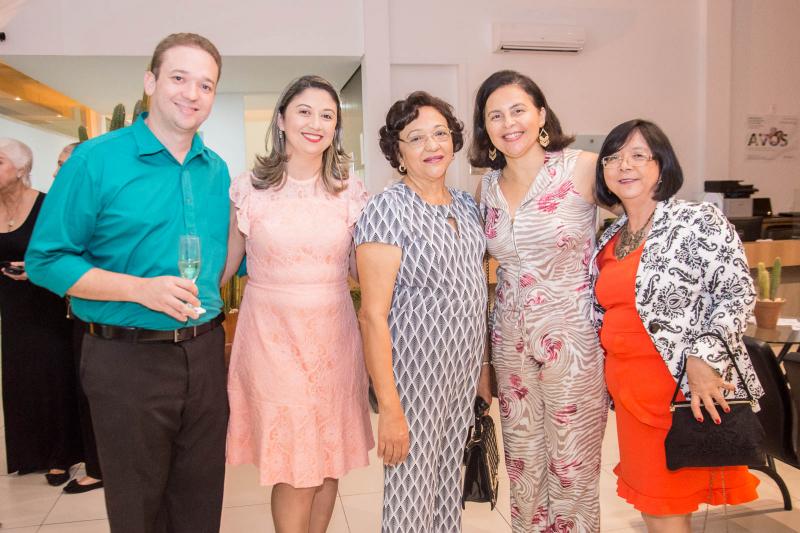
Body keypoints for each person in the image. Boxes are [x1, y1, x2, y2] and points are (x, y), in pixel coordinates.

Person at [26, 33, 230, 533]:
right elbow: (46, 260)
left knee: (201, 503)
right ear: (150, 82)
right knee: (138, 509)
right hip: (126, 359)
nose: (192, 93)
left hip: (205, 354)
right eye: (179, 78)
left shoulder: (216, 171)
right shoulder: (94, 160)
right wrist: (140, 289)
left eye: (205, 85)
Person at [591, 119, 762, 533]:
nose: (624, 166)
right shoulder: (610, 236)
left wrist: (705, 359)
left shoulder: (696, 220)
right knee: (655, 508)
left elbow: (736, 293)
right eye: (613, 158)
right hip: (629, 396)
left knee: (666, 510)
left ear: (661, 165)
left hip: (680, 391)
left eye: (638, 155)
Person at [223, 75, 374, 533]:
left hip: (334, 339)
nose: (316, 123)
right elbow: (225, 267)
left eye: (327, 115)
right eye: (304, 111)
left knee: (328, 457)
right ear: (281, 120)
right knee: (295, 464)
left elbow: (359, 270)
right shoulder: (248, 188)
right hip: (272, 341)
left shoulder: (351, 191)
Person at [469, 69, 608, 531]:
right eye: (495, 115)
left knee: (572, 468)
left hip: (574, 342)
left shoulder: (582, 168)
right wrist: (481, 362)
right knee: (524, 469)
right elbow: (481, 276)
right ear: (485, 127)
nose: (508, 123)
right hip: (510, 343)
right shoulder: (486, 188)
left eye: (518, 110)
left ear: (541, 114)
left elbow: (641, 217)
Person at [355, 91, 487, 532]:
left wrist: (482, 373)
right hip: (414, 381)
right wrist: (390, 408)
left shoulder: (466, 206)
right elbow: (372, 316)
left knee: (447, 494)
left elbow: (474, 295)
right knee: (410, 501)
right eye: (416, 138)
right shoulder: (387, 209)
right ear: (398, 153)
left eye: (440, 134)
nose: (432, 145)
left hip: (461, 378)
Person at [0, 138, 82, 484]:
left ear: (22, 169)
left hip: (48, 303)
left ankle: (61, 455)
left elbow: (68, 254)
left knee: (54, 376)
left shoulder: (47, 206)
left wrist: (35, 271)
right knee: (19, 377)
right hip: (12, 306)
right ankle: (29, 453)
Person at [52, 141, 105, 494]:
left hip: (99, 313)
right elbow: (49, 257)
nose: (60, 171)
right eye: (58, 164)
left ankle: (98, 465)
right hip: (70, 309)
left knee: (91, 392)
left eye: (65, 163)